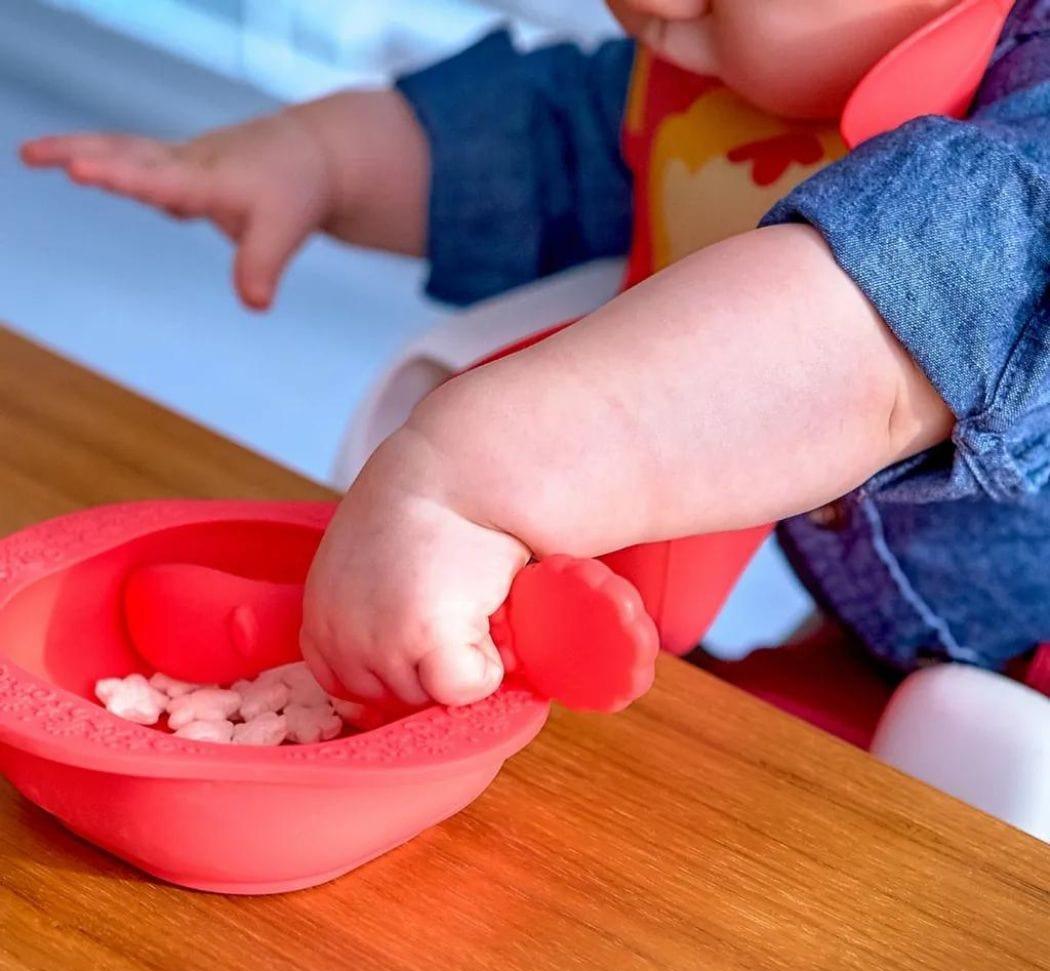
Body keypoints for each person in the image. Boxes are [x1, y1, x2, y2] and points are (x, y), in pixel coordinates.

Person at [23, 1, 1050, 719]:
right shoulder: (743, 72)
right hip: (884, 653)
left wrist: (475, 481)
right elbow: (556, 141)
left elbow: (871, 333)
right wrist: (322, 159)